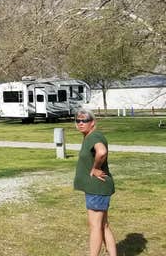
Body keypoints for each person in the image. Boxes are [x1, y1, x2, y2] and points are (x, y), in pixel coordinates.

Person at [74, 109, 117, 256]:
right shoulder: (89, 137)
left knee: (95, 226)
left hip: (97, 188)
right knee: (103, 225)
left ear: (92, 123)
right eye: (78, 120)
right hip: (98, 188)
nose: (80, 123)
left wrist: (96, 168)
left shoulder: (94, 136)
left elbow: (102, 152)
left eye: (84, 120)